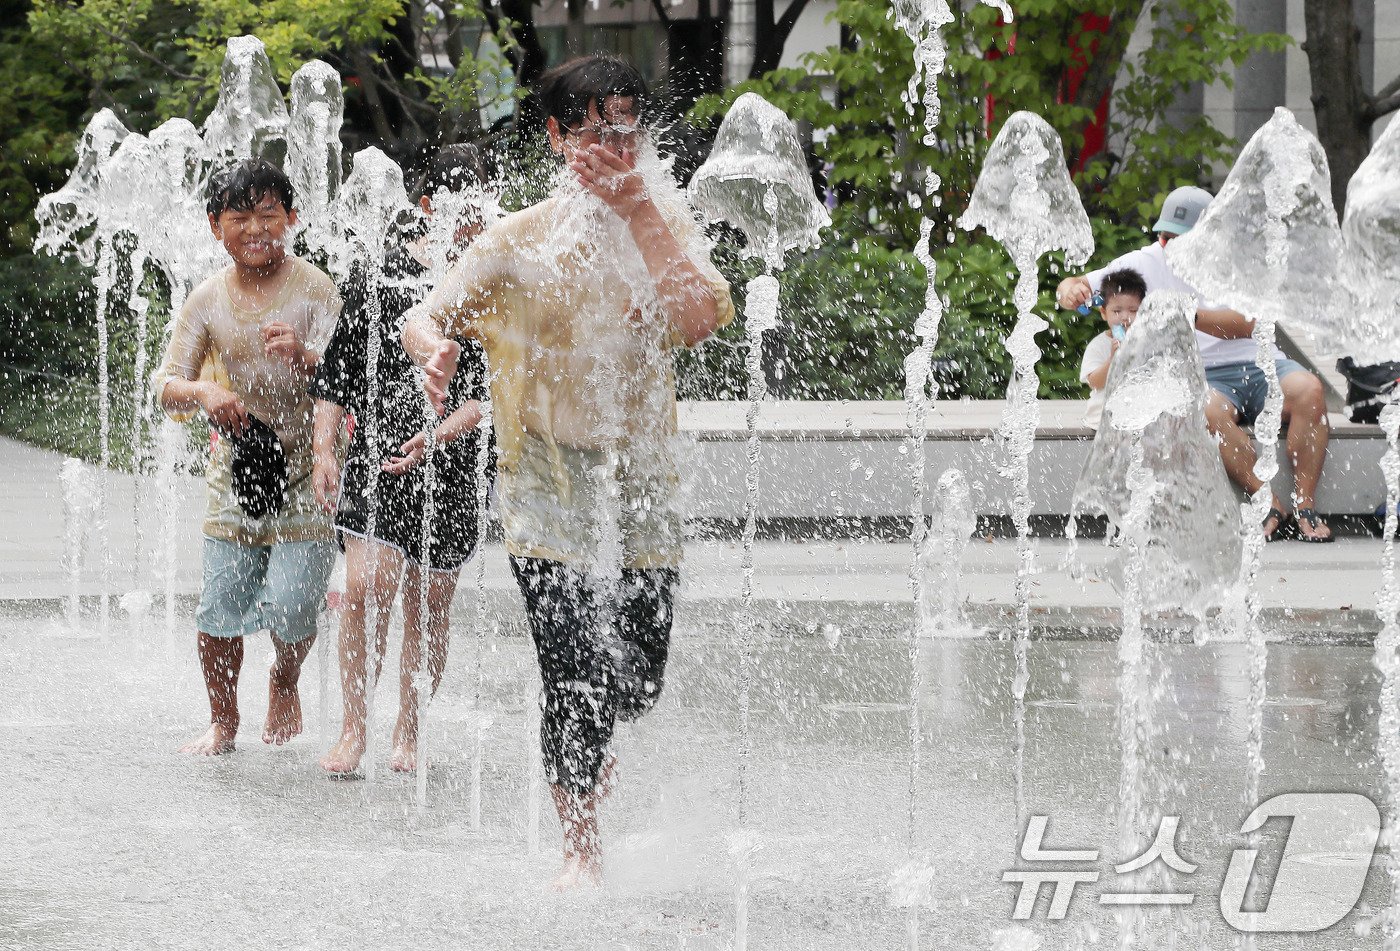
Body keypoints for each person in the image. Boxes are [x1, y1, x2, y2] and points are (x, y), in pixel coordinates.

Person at [401, 55, 735, 888]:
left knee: (637, 679)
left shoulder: (670, 225)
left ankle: (592, 749)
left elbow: (698, 318)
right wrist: (434, 351)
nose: (612, 143)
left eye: (626, 124)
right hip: (543, 484)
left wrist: (639, 213)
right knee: (573, 666)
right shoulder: (517, 242)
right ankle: (580, 847)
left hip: (642, 485)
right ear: (556, 136)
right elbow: (425, 312)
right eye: (592, 124)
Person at [310, 145, 491, 776]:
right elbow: (334, 377)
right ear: (427, 206)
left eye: (480, 208)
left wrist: (436, 437)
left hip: (454, 463)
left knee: (428, 601)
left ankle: (408, 730)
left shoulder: (489, 288)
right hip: (377, 457)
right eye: (458, 208)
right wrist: (324, 449)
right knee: (362, 586)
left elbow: (485, 402)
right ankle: (353, 728)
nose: (471, 222)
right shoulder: (379, 277)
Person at [156, 159, 342, 755]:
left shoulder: (315, 289)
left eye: (269, 214)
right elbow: (166, 388)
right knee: (219, 608)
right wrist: (206, 391)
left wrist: (309, 356)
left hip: (307, 465)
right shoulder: (208, 300)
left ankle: (284, 677)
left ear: (292, 218)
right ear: (216, 226)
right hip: (237, 467)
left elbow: (349, 378)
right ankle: (223, 721)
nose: (256, 228)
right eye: (240, 217)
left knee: (293, 604)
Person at [1056, 186, 1334, 542]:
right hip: (1206, 377)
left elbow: (1247, 324)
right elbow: (1077, 286)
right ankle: (1267, 501)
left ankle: (1305, 504)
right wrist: (1071, 291)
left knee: (1310, 388)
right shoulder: (1144, 262)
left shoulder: (1239, 263)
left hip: (1261, 364)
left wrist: (1189, 314)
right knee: (1205, 412)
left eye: (1180, 239)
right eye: (1165, 236)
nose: (1170, 246)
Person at [1078, 268, 1146, 430]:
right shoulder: (1099, 345)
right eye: (1116, 311)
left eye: (1133, 311)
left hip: (1137, 419)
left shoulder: (1146, 341)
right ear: (1103, 313)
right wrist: (1113, 360)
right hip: (1102, 421)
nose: (1125, 317)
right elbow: (1094, 382)